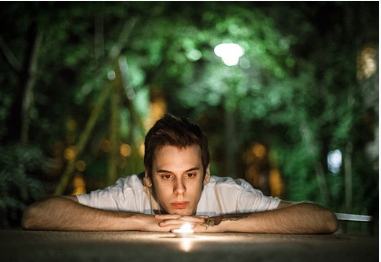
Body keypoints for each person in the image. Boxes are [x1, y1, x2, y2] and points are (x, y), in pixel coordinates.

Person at [22, 113, 338, 234]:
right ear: (147, 176)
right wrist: (142, 221)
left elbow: (322, 219)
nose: (179, 190)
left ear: (206, 174)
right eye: (165, 175)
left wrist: (218, 225)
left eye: (190, 174)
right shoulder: (133, 193)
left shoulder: (228, 194)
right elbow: (36, 216)